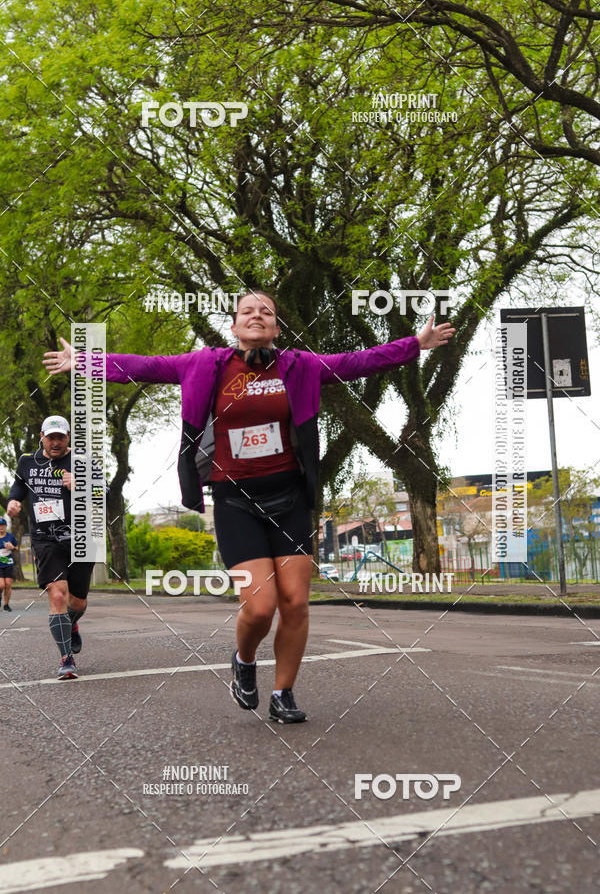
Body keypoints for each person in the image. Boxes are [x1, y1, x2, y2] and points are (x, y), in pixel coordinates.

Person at [42, 292, 455, 718]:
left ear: (276, 328)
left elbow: (357, 361)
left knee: (295, 602)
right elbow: (146, 366)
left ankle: (283, 693)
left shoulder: (300, 366)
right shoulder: (205, 365)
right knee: (260, 607)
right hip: (235, 501)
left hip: (289, 498)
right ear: (235, 326)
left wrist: (415, 345)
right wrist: (87, 363)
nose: (257, 316)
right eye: (247, 312)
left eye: (267, 312)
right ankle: (244, 660)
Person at [6, 416, 96, 679]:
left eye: (61, 437)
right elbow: (18, 486)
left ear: (68, 438)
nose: (55, 443)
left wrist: (82, 486)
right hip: (45, 539)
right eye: (51, 437)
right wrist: (13, 502)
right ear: (42, 437)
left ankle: (71, 626)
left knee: (77, 602)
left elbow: (106, 494)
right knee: (57, 595)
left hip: (80, 538)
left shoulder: (83, 462)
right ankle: (66, 659)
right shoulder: (27, 462)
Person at [0, 517, 18, 612]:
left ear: (6, 526)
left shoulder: (10, 536)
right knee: (1, 585)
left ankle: (6, 604)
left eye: (3, 525)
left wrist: (12, 547)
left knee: (8, 584)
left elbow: (17, 548)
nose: (1, 527)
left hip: (8, 563)